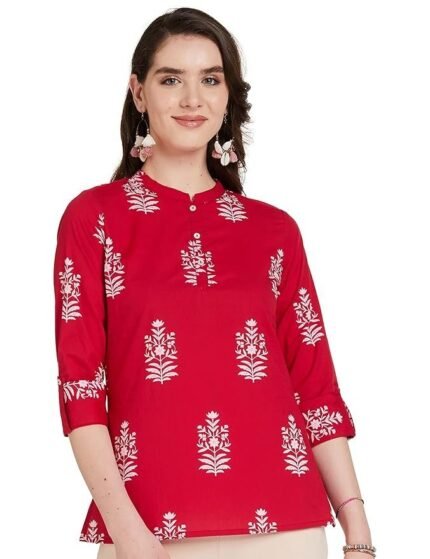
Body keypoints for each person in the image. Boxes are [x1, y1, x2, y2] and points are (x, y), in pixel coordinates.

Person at [53, 7, 375, 559]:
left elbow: (315, 387)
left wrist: (358, 531)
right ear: (138, 92)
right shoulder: (95, 219)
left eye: (210, 79)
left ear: (228, 97)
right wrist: (131, 538)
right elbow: (81, 389)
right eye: (170, 79)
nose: (191, 99)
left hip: (289, 530)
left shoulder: (274, 231)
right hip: (147, 533)